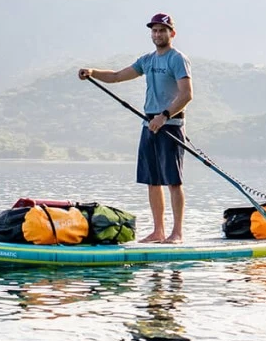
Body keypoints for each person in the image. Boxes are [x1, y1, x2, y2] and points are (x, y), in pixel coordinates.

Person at [79, 14, 193, 242]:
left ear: (172, 33)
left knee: (173, 181)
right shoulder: (147, 60)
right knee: (152, 181)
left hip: (170, 125)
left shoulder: (177, 59)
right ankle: (158, 231)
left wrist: (164, 116)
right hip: (149, 124)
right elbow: (117, 76)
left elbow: (186, 95)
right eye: (154, 30)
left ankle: (177, 232)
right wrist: (93, 72)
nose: (158, 34)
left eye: (162, 30)